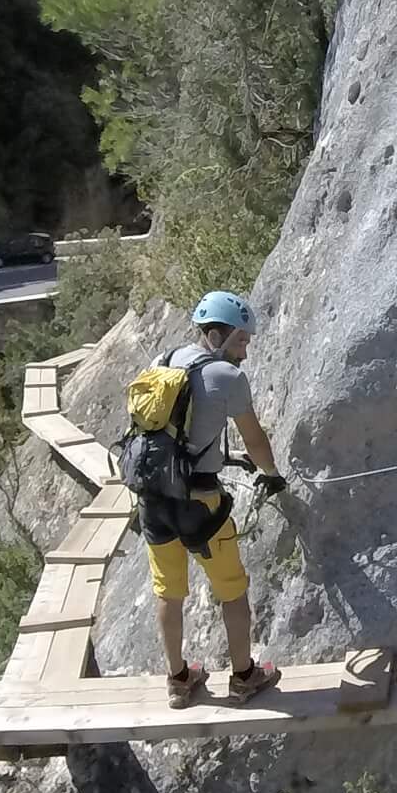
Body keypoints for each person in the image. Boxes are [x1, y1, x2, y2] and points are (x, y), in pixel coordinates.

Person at [141, 290, 290, 708]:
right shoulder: (228, 376)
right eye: (241, 340)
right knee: (232, 591)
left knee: (168, 592)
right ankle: (244, 677)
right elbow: (256, 439)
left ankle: (178, 680)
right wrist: (272, 475)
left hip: (153, 500)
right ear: (217, 336)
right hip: (200, 505)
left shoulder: (162, 361)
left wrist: (225, 457)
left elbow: (171, 435)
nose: (245, 351)